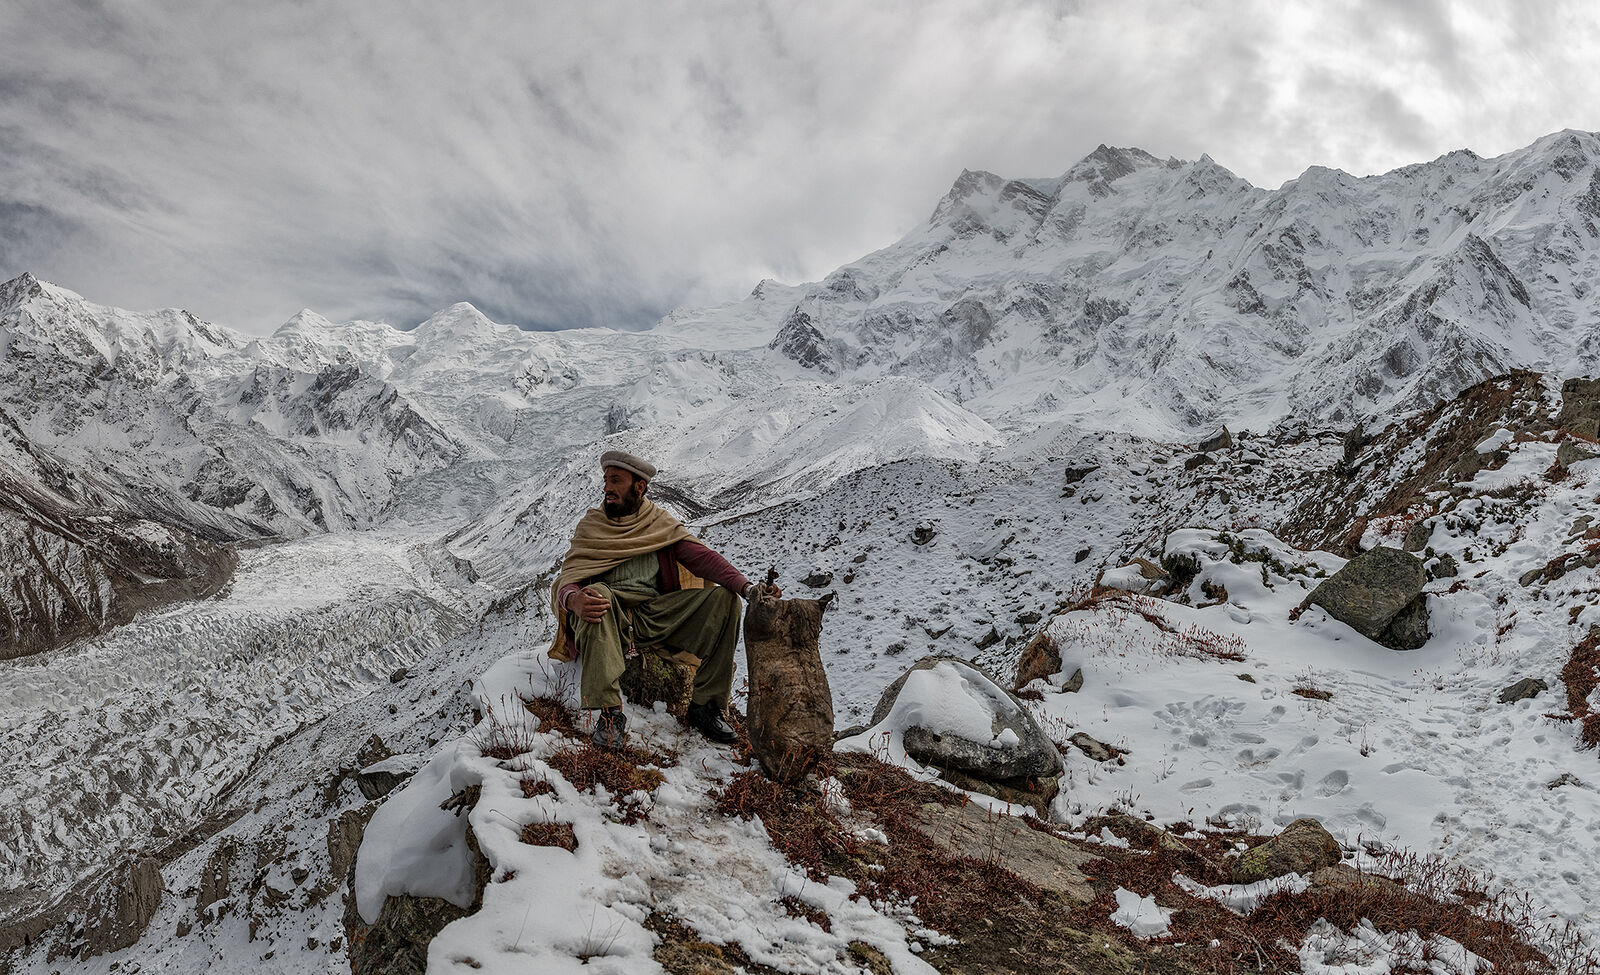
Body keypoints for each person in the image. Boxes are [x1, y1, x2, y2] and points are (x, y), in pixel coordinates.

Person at [547, 450, 780, 749]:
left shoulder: (658, 524)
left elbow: (703, 559)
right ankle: (609, 715)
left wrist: (747, 589)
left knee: (726, 600)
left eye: (616, 481)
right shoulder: (591, 526)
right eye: (606, 480)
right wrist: (573, 600)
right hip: (606, 617)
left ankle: (705, 707)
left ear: (639, 487)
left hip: (654, 615)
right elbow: (568, 578)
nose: (608, 488)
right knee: (598, 595)